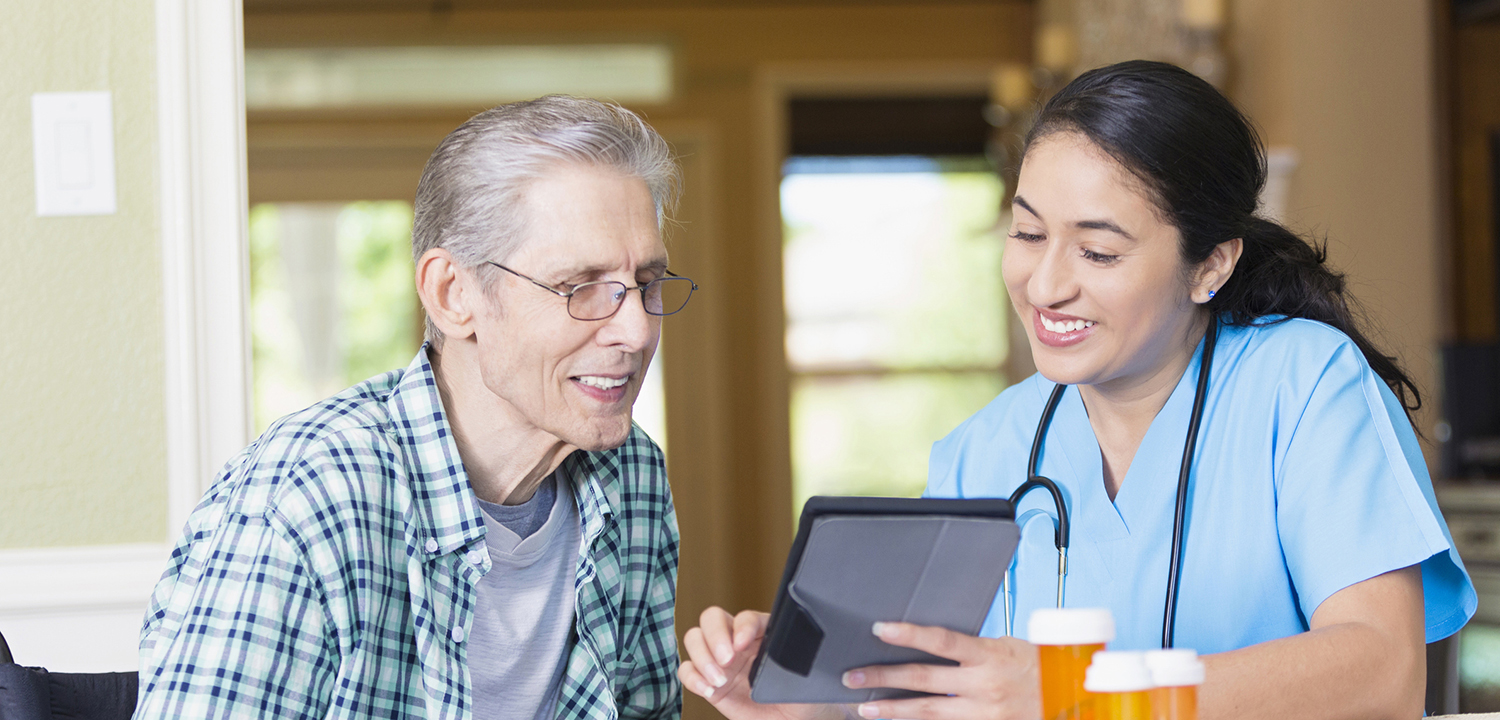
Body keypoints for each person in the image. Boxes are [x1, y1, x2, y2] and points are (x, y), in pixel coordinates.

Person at [679, 61, 1476, 720]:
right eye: (1027, 234)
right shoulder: (982, 453)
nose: (1045, 284)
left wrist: (1085, 694)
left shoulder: (1303, 384)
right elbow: (936, 696)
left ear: (1211, 265)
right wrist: (809, 703)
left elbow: (1384, 672)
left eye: (1098, 252)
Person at [136, 95, 691, 720]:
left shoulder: (631, 476)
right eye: (580, 287)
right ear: (453, 294)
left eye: (645, 284)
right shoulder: (313, 494)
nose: (638, 332)